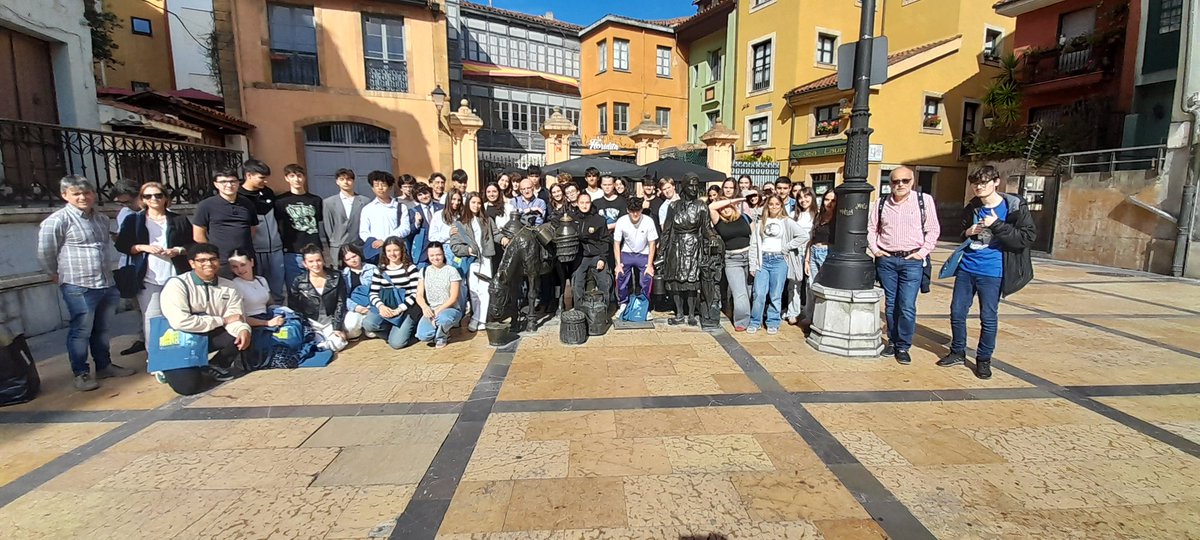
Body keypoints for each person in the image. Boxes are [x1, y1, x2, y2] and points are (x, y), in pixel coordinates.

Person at [38, 175, 137, 391]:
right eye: (76, 194)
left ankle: (104, 366)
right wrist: (54, 274)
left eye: (87, 192)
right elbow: (46, 252)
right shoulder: (58, 221)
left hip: (105, 282)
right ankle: (81, 373)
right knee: (81, 330)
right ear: (65, 195)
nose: (83, 197)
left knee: (102, 329)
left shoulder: (101, 219)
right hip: (78, 285)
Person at [940, 166, 1036, 379]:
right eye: (975, 183)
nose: (979, 187)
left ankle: (984, 360)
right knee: (957, 312)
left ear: (996, 182)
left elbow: (1026, 237)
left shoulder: (1013, 207)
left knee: (988, 317)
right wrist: (967, 232)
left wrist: (998, 225)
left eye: (984, 182)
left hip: (993, 271)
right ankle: (957, 352)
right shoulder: (973, 207)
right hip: (967, 268)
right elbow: (960, 233)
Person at [867, 165, 940, 364]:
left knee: (907, 305)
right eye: (895, 181)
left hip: (912, 261)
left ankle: (903, 346)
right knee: (891, 304)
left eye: (905, 181)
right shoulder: (881, 203)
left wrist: (922, 253)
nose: (900, 184)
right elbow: (871, 229)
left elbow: (933, 229)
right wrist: (875, 250)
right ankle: (892, 341)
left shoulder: (924, 201)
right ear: (890, 183)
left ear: (912, 181)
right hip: (887, 260)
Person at [157, 243, 251, 395]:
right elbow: (180, 321)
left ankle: (215, 365)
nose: (208, 264)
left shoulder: (229, 286)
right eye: (202, 260)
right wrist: (221, 320)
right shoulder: (177, 285)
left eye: (213, 259)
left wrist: (243, 329)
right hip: (182, 338)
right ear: (192, 263)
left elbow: (236, 315)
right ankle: (170, 368)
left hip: (208, 336)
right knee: (188, 388)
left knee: (240, 334)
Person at [115, 182, 194, 351]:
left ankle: (181, 355)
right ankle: (155, 358)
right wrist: (142, 247)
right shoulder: (133, 220)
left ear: (165, 198)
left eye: (158, 195)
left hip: (177, 276)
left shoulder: (178, 219)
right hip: (148, 277)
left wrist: (177, 250)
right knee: (152, 319)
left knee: (179, 317)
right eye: (148, 196)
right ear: (142, 199)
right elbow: (121, 245)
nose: (153, 199)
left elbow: (192, 245)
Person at [748, 195, 806, 334]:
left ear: (781, 206)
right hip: (763, 260)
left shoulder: (786, 221)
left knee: (775, 294)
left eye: (777, 204)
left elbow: (804, 235)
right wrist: (752, 264)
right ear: (767, 206)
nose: (774, 207)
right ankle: (755, 321)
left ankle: (773, 321)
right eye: (771, 204)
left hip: (779, 260)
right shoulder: (761, 222)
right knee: (759, 293)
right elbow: (754, 244)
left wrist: (787, 247)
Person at [239, 159, 286, 303]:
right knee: (257, 288)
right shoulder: (240, 197)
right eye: (261, 177)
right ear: (249, 175)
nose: (265, 181)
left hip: (275, 249)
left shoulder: (267, 192)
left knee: (277, 289)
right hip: (255, 251)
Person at [193, 169, 258, 271]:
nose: (229, 185)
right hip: (222, 261)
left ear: (238, 183)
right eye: (223, 182)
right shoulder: (206, 205)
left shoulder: (247, 203)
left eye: (232, 181)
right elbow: (198, 236)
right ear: (216, 184)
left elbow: (252, 229)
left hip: (246, 260)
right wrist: (213, 254)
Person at [450, 192, 497, 332]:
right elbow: (454, 246)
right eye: (473, 202)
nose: (476, 205)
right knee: (474, 290)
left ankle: (480, 319)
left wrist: (504, 239)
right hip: (472, 260)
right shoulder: (459, 223)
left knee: (485, 290)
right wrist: (467, 250)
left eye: (479, 203)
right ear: (468, 204)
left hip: (486, 258)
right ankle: (476, 317)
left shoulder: (487, 220)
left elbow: (496, 234)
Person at [362, 237, 420, 349]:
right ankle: (392, 331)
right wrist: (381, 307)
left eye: (395, 250)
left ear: (402, 250)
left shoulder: (410, 268)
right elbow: (373, 293)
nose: (392, 254)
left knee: (397, 344)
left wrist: (399, 309)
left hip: (405, 309)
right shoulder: (380, 269)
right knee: (368, 324)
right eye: (389, 251)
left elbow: (415, 293)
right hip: (386, 306)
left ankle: (406, 332)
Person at [111, 179, 147, 356]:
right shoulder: (125, 214)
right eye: (122, 203)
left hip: (154, 265)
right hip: (132, 266)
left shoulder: (152, 210)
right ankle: (144, 337)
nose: (126, 206)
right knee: (139, 307)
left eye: (128, 201)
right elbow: (123, 242)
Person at [288, 244, 347, 352]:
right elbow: (294, 306)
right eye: (311, 261)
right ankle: (321, 345)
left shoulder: (336, 277)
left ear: (323, 260)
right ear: (305, 264)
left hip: (331, 320)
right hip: (312, 322)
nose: (315, 264)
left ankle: (324, 345)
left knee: (339, 343)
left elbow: (341, 303)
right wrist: (305, 326)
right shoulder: (298, 281)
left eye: (318, 260)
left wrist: (337, 327)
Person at [274, 164, 325, 288]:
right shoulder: (280, 201)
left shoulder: (315, 200)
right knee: (294, 287)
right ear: (286, 178)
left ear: (304, 177)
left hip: (314, 249)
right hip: (292, 251)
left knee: (317, 286)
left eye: (299, 175)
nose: (296, 179)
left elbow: (319, 221)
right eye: (292, 176)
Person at [710, 196, 752, 331]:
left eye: (727, 207)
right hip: (732, 259)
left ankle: (754, 318)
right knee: (739, 292)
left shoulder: (745, 218)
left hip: (750, 256)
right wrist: (734, 200)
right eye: (721, 208)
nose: (724, 210)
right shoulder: (719, 221)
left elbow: (755, 237)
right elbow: (711, 207)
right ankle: (742, 321)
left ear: (733, 207)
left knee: (750, 291)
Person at [415, 242, 464, 348]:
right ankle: (437, 330)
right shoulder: (424, 271)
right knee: (423, 335)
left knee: (443, 318)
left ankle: (442, 336)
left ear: (443, 254)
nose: (435, 258)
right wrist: (425, 307)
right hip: (431, 309)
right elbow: (419, 295)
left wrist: (438, 311)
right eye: (432, 255)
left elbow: (453, 297)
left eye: (438, 254)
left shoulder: (451, 271)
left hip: (449, 308)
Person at [613, 197, 657, 310]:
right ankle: (623, 303)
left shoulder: (648, 221)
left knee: (648, 276)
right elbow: (616, 243)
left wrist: (650, 265)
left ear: (641, 209)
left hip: (644, 253)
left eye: (638, 210)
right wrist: (618, 264)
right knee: (620, 274)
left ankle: (644, 304)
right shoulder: (621, 221)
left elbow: (652, 243)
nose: (635, 214)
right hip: (627, 252)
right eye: (632, 211)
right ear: (628, 210)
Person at [358, 171, 411, 263]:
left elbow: (405, 228)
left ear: (390, 187)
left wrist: (385, 240)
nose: (380, 188)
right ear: (372, 188)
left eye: (383, 185)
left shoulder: (401, 207)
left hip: (395, 250)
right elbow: (363, 231)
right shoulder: (367, 209)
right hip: (376, 251)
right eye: (376, 185)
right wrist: (373, 242)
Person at [572, 193, 614, 304]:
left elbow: (605, 240)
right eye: (581, 203)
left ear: (591, 203)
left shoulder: (599, 220)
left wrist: (602, 258)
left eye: (587, 202)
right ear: (577, 204)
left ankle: (603, 309)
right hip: (581, 256)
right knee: (577, 283)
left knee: (604, 283)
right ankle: (579, 309)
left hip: (597, 255)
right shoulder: (572, 219)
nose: (584, 205)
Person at [323, 168, 369, 267]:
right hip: (337, 246)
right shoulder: (329, 202)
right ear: (337, 182)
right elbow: (328, 226)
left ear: (353, 181)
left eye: (348, 179)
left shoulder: (365, 201)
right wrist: (334, 241)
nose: (346, 182)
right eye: (342, 179)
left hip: (358, 245)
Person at [783, 187, 817, 324]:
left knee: (810, 284)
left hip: (811, 252)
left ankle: (809, 313)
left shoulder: (817, 215)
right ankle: (793, 312)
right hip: (795, 252)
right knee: (794, 283)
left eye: (806, 196)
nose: (803, 200)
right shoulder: (793, 215)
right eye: (800, 197)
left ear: (812, 197)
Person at [803, 190, 837, 324]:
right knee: (811, 285)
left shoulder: (838, 219)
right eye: (827, 199)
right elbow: (812, 238)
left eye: (833, 200)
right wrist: (807, 259)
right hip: (814, 251)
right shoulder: (819, 216)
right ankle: (809, 317)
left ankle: (822, 319)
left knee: (825, 287)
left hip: (827, 252)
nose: (829, 203)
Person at [227, 250, 283, 329]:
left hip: (268, 316)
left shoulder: (261, 280)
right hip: (253, 324)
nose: (240, 270)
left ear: (252, 262)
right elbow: (238, 317)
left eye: (243, 265)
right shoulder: (235, 285)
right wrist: (267, 323)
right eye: (234, 267)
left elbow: (270, 303)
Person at [339, 244, 377, 339]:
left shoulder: (372, 269)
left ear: (359, 254)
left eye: (354, 256)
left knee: (371, 333)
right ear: (344, 261)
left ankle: (367, 325)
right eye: (348, 259)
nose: (353, 260)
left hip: (372, 305)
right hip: (354, 306)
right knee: (351, 328)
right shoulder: (343, 275)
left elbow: (379, 289)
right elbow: (342, 297)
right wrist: (356, 307)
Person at [411, 184, 446, 267]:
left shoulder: (442, 208)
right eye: (420, 195)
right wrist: (417, 223)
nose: (424, 196)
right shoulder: (413, 211)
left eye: (425, 193)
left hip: (442, 251)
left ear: (430, 193)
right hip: (423, 253)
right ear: (416, 197)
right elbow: (410, 232)